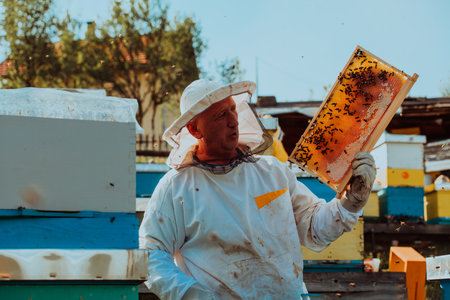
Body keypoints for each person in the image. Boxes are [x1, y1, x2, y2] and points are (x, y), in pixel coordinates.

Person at [139, 79, 376, 299]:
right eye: (221, 115)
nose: (234, 120)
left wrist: (351, 202)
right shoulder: (176, 187)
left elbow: (315, 227)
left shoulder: (272, 172)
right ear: (194, 129)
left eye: (233, 109)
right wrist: (190, 293)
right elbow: (152, 255)